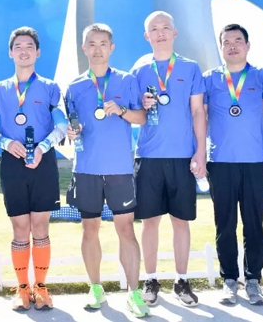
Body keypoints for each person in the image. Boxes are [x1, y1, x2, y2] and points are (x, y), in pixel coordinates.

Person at [64, 23, 149, 318]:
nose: (97, 49)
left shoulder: (127, 80)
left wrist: (122, 111)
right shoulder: (74, 87)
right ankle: (96, 287)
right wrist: (71, 133)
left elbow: (142, 117)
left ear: (111, 48)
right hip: (87, 169)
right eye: (92, 44)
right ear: (84, 48)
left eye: (103, 44)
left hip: (119, 169)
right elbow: (72, 125)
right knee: (90, 230)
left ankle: (133, 293)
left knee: (126, 230)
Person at [0, 27, 67, 311]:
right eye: (18, 46)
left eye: (29, 46)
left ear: (38, 52)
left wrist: (43, 147)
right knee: (20, 228)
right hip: (12, 163)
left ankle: (40, 288)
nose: (24, 50)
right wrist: (6, 143)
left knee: (40, 226)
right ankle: (22, 289)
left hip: (43, 162)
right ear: (11, 52)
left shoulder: (50, 87)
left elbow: (61, 125)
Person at [131, 11, 206, 307]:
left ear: (175, 33)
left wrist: (200, 150)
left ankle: (181, 280)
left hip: (182, 156)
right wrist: (141, 103)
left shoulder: (190, 67)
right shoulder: (139, 70)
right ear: (146, 36)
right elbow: (134, 114)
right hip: (148, 156)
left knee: (180, 222)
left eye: (165, 27)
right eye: (154, 28)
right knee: (150, 222)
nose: (160, 32)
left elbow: (198, 111)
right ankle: (150, 279)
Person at [203, 24, 263, 306]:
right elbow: (202, 117)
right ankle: (230, 280)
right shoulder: (210, 79)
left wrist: (257, 140)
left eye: (238, 40)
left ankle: (253, 280)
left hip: (254, 163)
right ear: (221, 46)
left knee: (254, 224)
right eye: (226, 42)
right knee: (225, 224)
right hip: (220, 163)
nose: (232, 46)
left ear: (247, 45)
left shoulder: (262, 76)